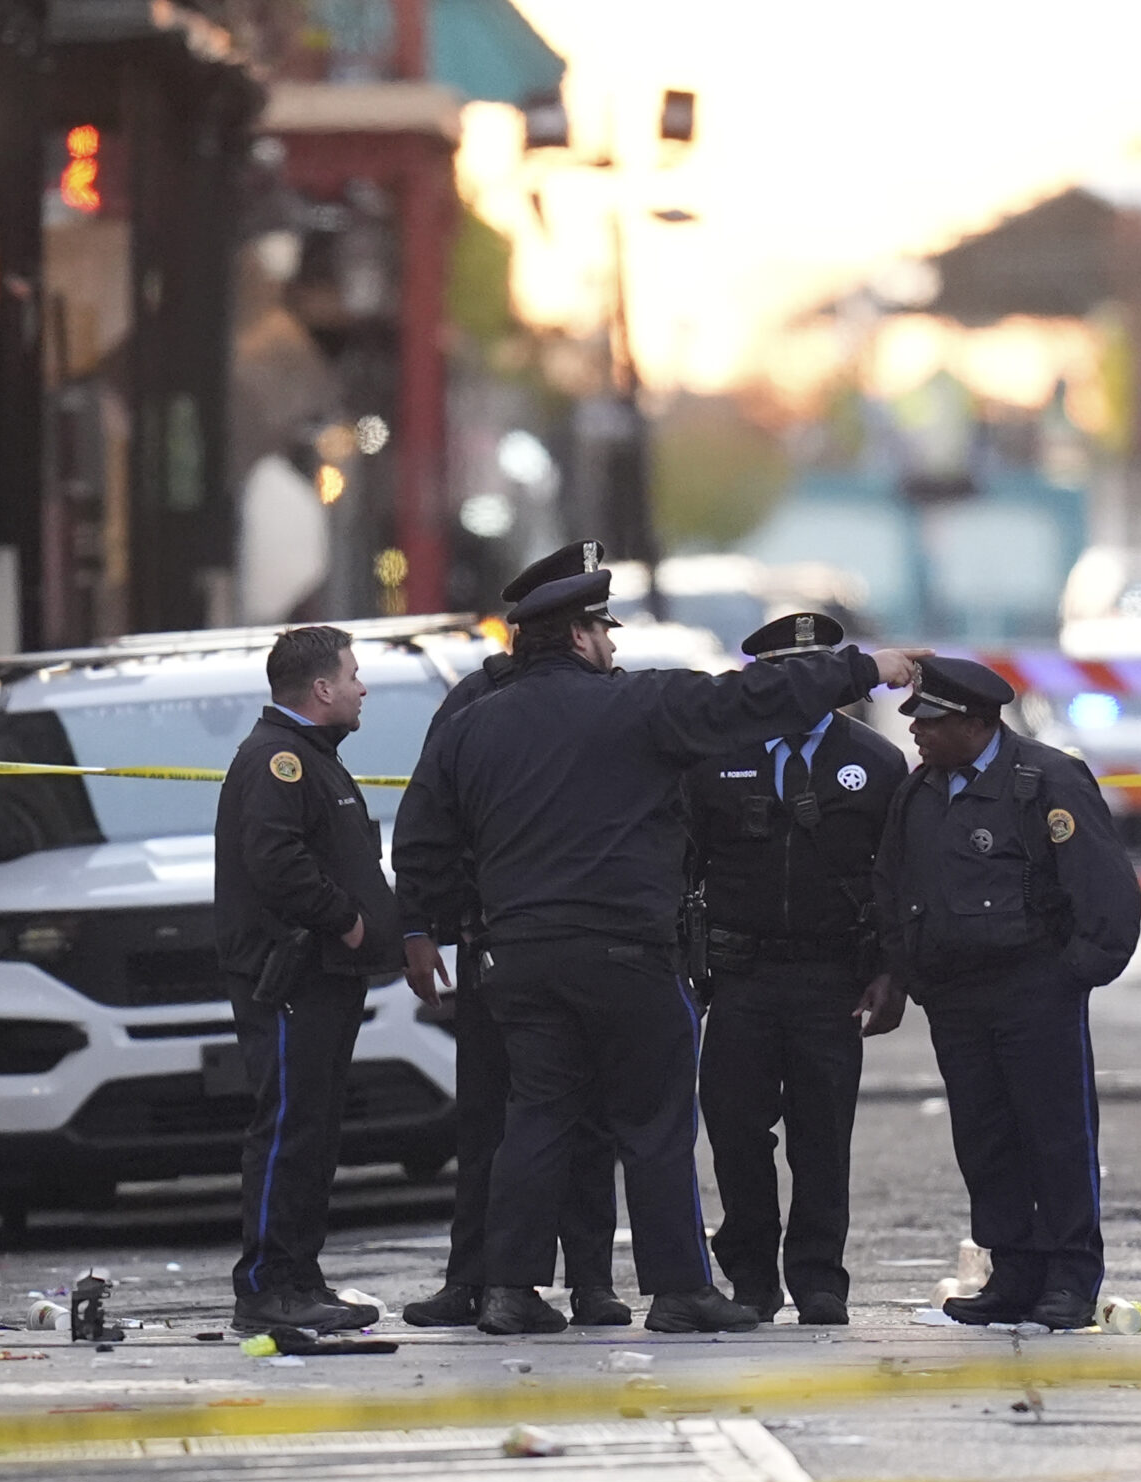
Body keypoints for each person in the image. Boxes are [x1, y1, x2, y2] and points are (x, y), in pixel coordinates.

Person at [396, 570, 924, 1335]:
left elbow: (422, 831)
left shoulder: (476, 723)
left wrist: (418, 926)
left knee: (536, 1117)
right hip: (627, 955)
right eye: (604, 629)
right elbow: (752, 700)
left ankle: (507, 1288)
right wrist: (867, 666)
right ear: (578, 636)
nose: (613, 642)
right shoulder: (641, 705)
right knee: (653, 1122)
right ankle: (680, 1288)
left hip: (520, 958)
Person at [872, 656, 1141, 1331]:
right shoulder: (921, 792)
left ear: (978, 721)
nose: (917, 733)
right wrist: (912, 973)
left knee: (1053, 1134)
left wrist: (1071, 975)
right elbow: (895, 886)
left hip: (1033, 990)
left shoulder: (1045, 780)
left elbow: (1104, 889)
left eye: (930, 721)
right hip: (958, 997)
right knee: (986, 1138)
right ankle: (1014, 1269)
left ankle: (1070, 1276)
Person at [402, 543, 625, 1330]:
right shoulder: (476, 700)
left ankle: (592, 1280)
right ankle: (474, 1277)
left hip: (570, 937)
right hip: (491, 935)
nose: (606, 641)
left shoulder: (612, 698)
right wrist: (421, 927)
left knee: (588, 1117)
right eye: (595, 623)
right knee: (488, 1117)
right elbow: (427, 822)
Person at [684, 613, 909, 1326]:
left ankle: (820, 1278)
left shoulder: (875, 762)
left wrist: (889, 972)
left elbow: (895, 878)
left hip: (830, 976)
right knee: (735, 1130)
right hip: (741, 977)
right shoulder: (717, 757)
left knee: (822, 1134)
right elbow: (681, 863)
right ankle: (750, 1275)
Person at [213, 626, 403, 1334]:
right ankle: (265, 1284)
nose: (362, 687)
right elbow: (277, 860)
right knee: (290, 1124)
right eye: (352, 674)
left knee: (314, 1130)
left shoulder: (310, 756)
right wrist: (345, 919)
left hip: (325, 976)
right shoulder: (280, 760)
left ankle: (299, 1275)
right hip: (294, 973)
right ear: (320, 687)